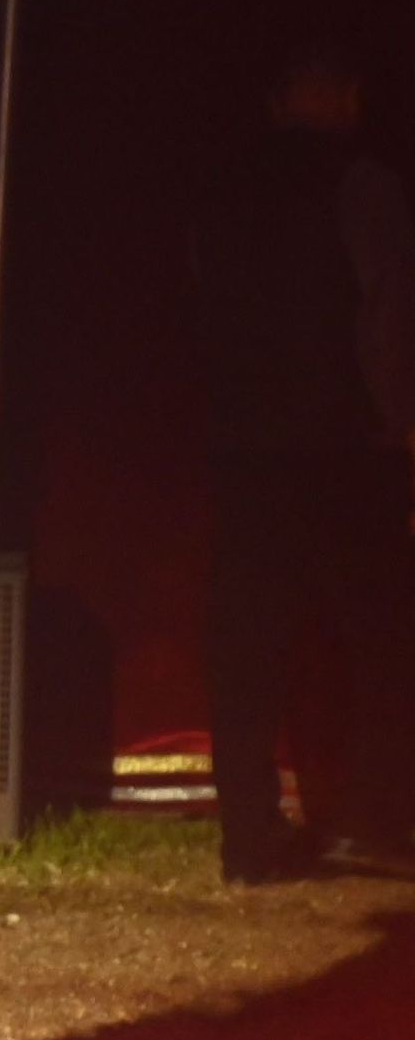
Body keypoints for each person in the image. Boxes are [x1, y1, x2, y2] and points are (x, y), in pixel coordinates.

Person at [203, 46, 415, 883]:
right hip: (341, 445)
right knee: (386, 634)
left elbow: (201, 313)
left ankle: (249, 835)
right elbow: (388, 312)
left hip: (244, 448)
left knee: (247, 643)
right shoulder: (361, 184)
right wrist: (402, 421)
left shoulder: (222, 191)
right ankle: (372, 817)